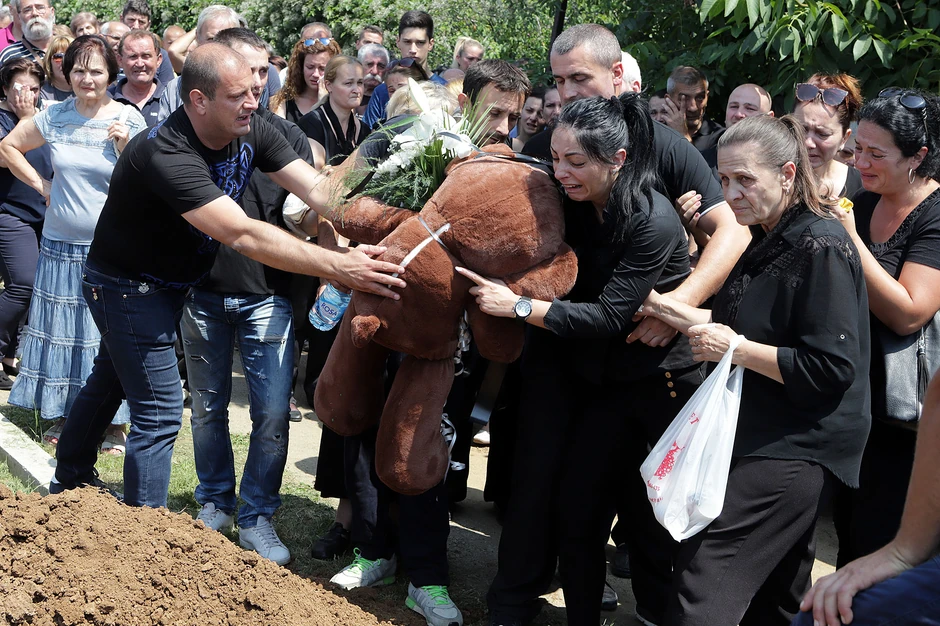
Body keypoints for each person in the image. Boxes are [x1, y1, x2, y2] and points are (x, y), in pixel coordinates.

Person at [45, 43, 405, 510]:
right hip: (125, 285)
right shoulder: (164, 152)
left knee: (111, 377)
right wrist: (339, 266)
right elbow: (243, 233)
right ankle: (141, 539)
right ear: (198, 100)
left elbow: (322, 192)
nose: (253, 103)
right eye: (238, 95)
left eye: (254, 91)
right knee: (158, 409)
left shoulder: (252, 126)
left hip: (171, 283)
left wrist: (397, 225)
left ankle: (69, 480)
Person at [507, 24, 748, 625]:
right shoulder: (545, 141)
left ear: (618, 78)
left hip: (642, 355)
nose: (563, 92)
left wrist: (679, 308)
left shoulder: (663, 146)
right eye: (556, 80)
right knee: (541, 482)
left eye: (578, 79)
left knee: (648, 509)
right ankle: (515, 599)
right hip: (562, 345)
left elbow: (734, 231)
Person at [465, 92, 696, 625]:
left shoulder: (652, 221)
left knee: (649, 520)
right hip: (592, 380)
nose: (559, 172)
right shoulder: (563, 196)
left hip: (655, 383)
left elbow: (610, 317)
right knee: (577, 511)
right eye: (555, 157)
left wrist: (519, 305)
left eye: (575, 162)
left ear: (617, 160)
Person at [636, 114, 870, 625]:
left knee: (703, 579)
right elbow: (734, 324)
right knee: (777, 595)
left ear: (788, 174)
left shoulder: (821, 244)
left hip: (800, 444)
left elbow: (831, 367)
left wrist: (735, 349)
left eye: (745, 179)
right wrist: (662, 306)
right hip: (760, 430)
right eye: (723, 179)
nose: (730, 192)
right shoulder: (764, 234)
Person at [178, 27, 314, 566]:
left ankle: (257, 514)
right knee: (208, 410)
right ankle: (215, 501)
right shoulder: (192, 135)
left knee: (274, 413)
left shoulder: (286, 139)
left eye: (263, 72)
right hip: (202, 294)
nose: (256, 86)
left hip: (269, 298)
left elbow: (312, 208)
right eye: (244, 74)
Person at [1, 35, 146, 453]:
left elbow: (150, 182)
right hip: (59, 248)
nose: (87, 78)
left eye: (96, 70)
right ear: (67, 74)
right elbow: (8, 146)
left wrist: (125, 147)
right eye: (78, 69)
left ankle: (115, 424)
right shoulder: (56, 115)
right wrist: (41, 184)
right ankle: (67, 417)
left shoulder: (128, 119)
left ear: (110, 74)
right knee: (63, 335)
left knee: (104, 338)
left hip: (109, 252)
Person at [831, 88, 940, 568]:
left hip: (904, 420)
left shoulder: (934, 215)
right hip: (853, 404)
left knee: (884, 548)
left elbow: (910, 312)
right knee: (848, 535)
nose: (860, 163)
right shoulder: (863, 195)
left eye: (876, 154)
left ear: (918, 157)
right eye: (857, 149)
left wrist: (850, 238)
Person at [794, 370, 940, 626]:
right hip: (874, 431)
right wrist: (904, 552)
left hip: (895, 436)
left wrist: (904, 552)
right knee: (826, 608)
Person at [0, 57, 50, 391]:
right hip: (10, 212)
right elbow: (5, 157)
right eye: (20, 88)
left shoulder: (48, 114)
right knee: (23, 284)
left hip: (47, 215)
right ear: (5, 89)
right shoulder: (5, 117)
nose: (28, 95)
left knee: (35, 292)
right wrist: (26, 119)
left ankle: (7, 355)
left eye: (34, 89)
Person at [362, 10, 447, 129]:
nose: (413, 49)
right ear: (398, 41)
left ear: (430, 44)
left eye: (420, 43)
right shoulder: (382, 92)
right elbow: (367, 137)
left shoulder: (444, 89)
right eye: (407, 42)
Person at [156, 5, 242, 121]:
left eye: (225, 39)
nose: (218, 47)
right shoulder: (175, 88)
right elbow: (162, 134)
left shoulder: (253, 84)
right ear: (197, 38)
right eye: (211, 39)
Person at [791, 74, 863, 200]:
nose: (809, 143)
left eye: (822, 134)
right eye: (802, 129)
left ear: (844, 138)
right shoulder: (771, 176)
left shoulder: (862, 188)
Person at [297, 55, 365, 168]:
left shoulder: (364, 130)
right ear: (329, 86)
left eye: (360, 83)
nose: (356, 90)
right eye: (348, 83)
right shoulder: (312, 124)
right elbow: (315, 173)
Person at [700, 82, 774, 171]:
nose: (739, 114)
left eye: (750, 108)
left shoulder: (778, 163)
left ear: (768, 118)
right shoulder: (702, 163)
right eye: (734, 106)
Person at [269, 36, 341, 125]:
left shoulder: (341, 101)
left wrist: (323, 101)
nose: (315, 74)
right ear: (301, 67)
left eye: (322, 68)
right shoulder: (283, 101)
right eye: (310, 67)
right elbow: (280, 135)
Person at [108, 29, 166, 127]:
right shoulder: (107, 99)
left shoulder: (171, 99)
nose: (139, 64)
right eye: (133, 56)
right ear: (120, 60)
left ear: (158, 60)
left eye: (146, 56)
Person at [662, 65, 724, 151]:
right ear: (668, 100)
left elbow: (701, 165)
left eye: (700, 97)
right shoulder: (656, 135)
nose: (693, 108)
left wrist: (683, 136)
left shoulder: (721, 138)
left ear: (707, 97)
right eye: (684, 98)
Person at [118, 0, 174, 86]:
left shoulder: (160, 54)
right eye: (131, 20)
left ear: (148, 25)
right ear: (122, 19)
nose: (136, 26)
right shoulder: (107, 52)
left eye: (141, 22)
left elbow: (167, 89)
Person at [0, 0, 54, 68]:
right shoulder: (9, 55)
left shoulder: (67, 47)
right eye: (27, 10)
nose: (34, 13)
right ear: (19, 16)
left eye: (40, 8)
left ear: (52, 12)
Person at [38, 32, 71, 102]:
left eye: (70, 56)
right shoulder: (39, 91)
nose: (64, 61)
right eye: (58, 57)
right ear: (49, 61)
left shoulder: (86, 89)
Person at [357, 42, 387, 114]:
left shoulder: (388, 100)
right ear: (358, 66)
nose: (374, 71)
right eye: (369, 65)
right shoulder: (345, 96)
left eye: (381, 66)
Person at [511, 87, 543, 151]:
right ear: (520, 110)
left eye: (540, 114)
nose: (533, 118)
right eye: (529, 111)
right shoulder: (505, 139)